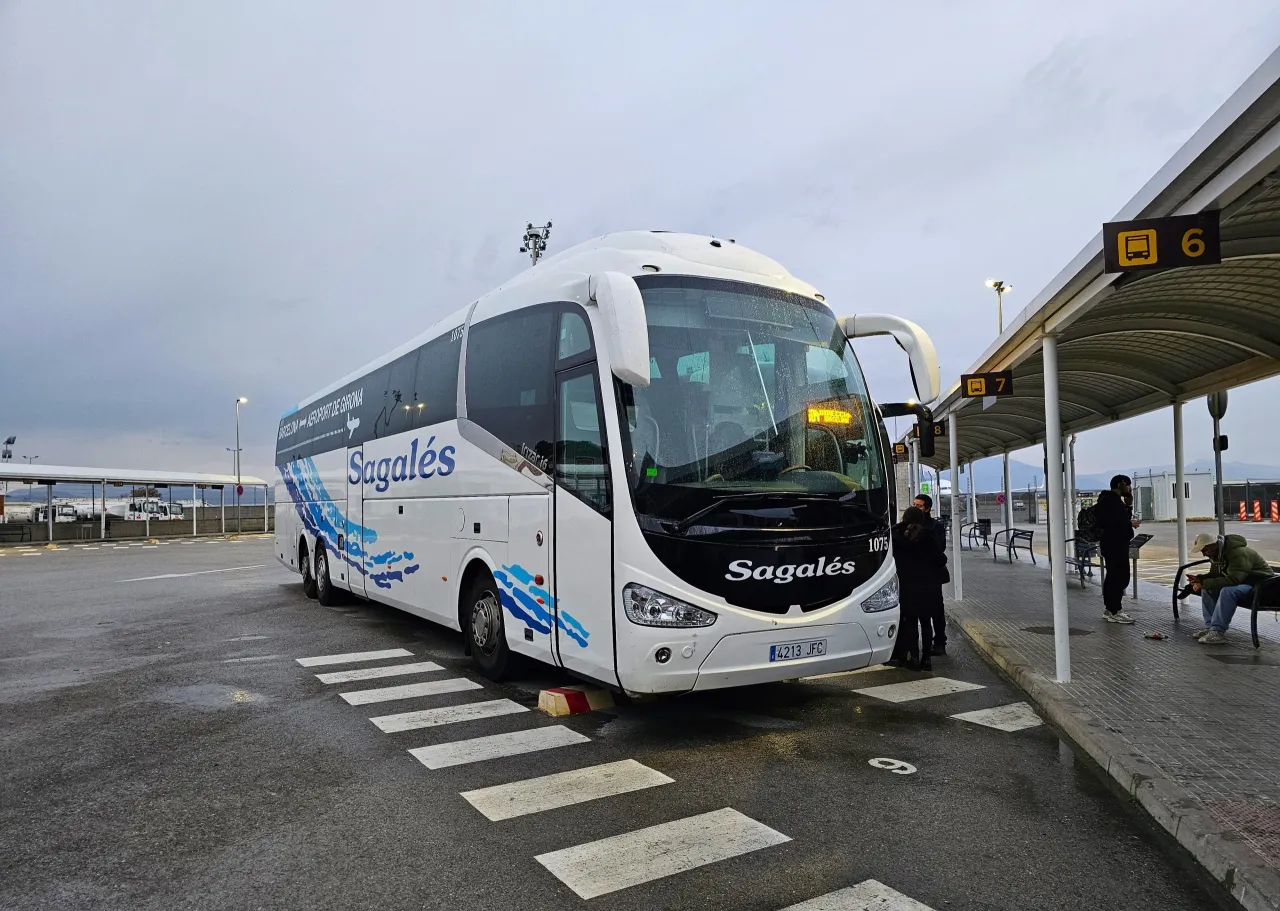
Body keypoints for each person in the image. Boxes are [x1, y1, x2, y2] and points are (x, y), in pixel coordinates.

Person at [888, 505, 947, 671]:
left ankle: (913, 657)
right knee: (926, 622)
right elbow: (940, 560)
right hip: (928, 586)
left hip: (906, 586)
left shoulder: (896, 536)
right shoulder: (928, 537)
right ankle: (927, 659)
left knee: (910, 623)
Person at [1187, 532, 1274, 644]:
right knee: (1208, 589)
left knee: (1227, 591)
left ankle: (1217, 632)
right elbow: (1215, 575)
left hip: (1258, 585)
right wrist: (1201, 579)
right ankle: (1211, 628)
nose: (1204, 554)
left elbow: (1233, 580)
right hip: (1245, 582)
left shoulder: (1238, 553)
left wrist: (1204, 583)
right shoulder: (1217, 554)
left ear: (1213, 545)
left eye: (1204, 550)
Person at [1094, 474, 1139, 624]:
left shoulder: (1108, 500)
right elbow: (1115, 525)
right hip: (1115, 545)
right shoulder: (1111, 502)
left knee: (1113, 576)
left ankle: (1111, 609)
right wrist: (1130, 524)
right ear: (1120, 485)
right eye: (1128, 485)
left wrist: (1129, 505)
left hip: (1112, 544)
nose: (1130, 489)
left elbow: (1119, 520)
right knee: (1119, 577)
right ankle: (1114, 610)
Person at [912, 492, 949, 654]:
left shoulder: (935, 526)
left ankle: (940, 641)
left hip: (932, 575)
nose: (915, 508)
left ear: (927, 508)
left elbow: (940, 549)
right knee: (918, 612)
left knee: (936, 611)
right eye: (914, 505)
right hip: (915, 575)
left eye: (918, 506)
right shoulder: (908, 525)